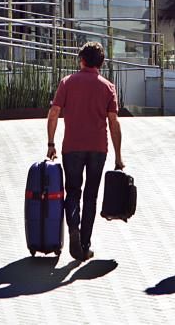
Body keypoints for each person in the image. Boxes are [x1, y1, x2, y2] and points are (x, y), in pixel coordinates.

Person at [46, 41, 124, 262]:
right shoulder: (107, 87)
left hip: (72, 147)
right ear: (101, 63)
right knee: (91, 196)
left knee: (73, 192)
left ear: (81, 60)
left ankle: (73, 228)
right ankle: (84, 244)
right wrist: (118, 156)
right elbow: (114, 123)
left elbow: (54, 113)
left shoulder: (67, 83)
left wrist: (51, 143)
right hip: (98, 148)